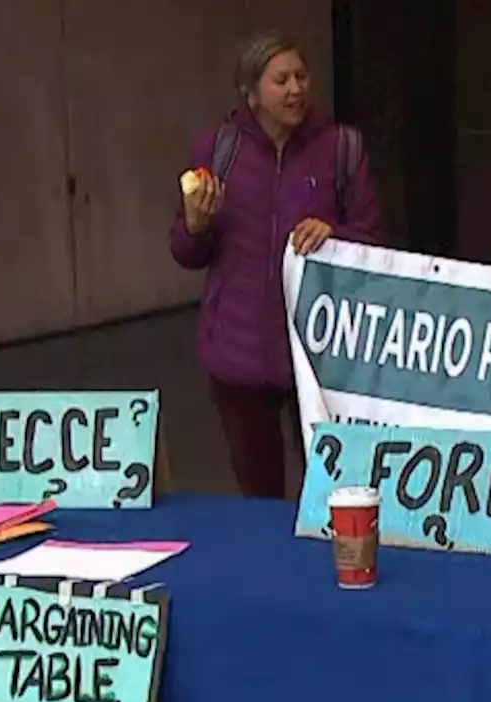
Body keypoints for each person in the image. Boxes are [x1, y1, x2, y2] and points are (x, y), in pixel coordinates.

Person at [169, 30, 383, 500]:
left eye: (302, 77)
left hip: (322, 356)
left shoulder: (341, 148)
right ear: (251, 92)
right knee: (259, 497)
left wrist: (335, 235)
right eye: (280, 80)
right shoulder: (217, 151)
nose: (295, 89)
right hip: (239, 356)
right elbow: (186, 253)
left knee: (336, 492)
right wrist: (196, 223)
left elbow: (370, 240)